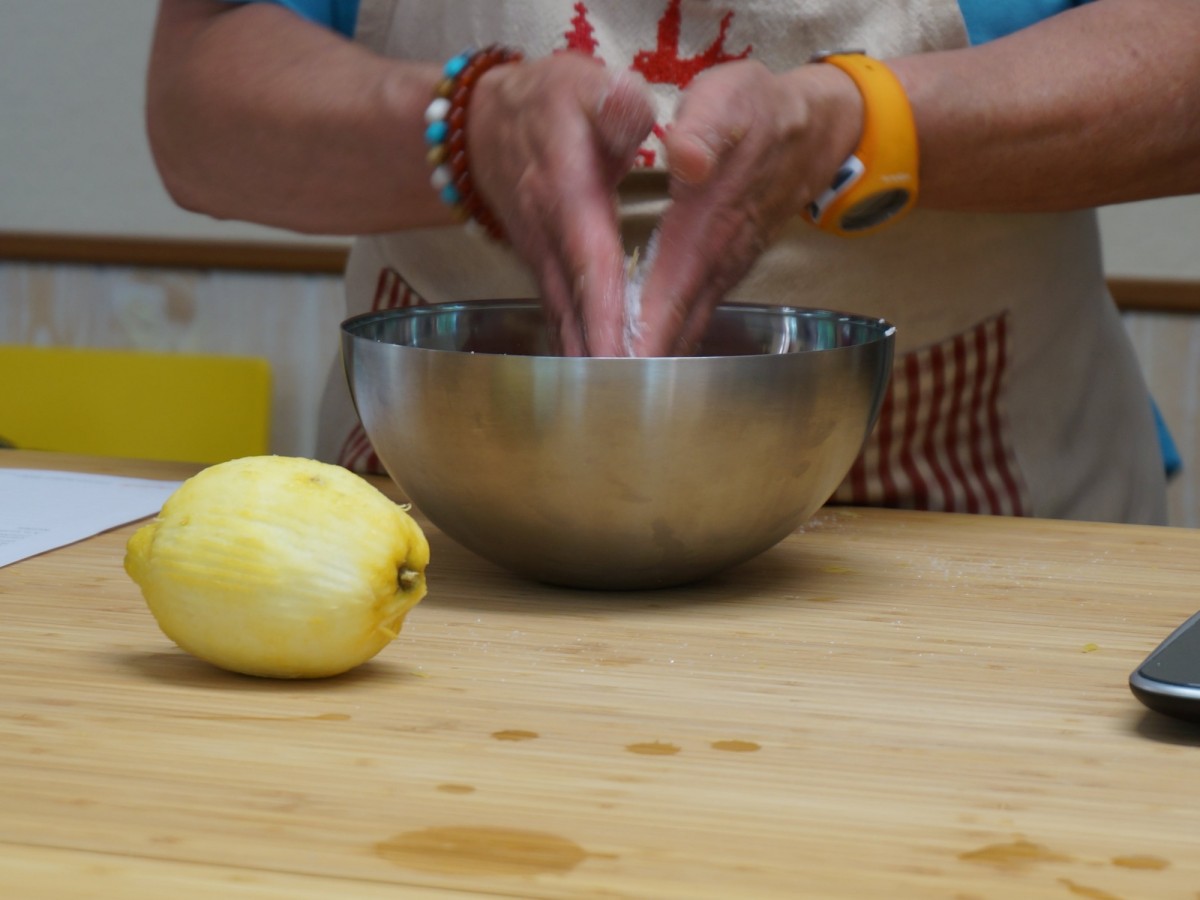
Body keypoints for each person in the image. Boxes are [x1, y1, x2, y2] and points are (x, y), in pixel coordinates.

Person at [145, 0, 1200, 524]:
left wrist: (867, 120)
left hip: (985, 524)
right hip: (443, 549)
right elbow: (201, 96)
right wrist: (464, 126)